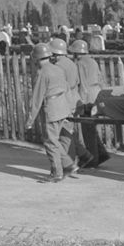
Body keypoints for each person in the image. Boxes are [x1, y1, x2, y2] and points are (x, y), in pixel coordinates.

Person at [25, 43, 76, 183]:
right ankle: (68, 164)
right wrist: (69, 109)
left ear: (36, 58)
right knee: (54, 140)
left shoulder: (42, 73)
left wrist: (30, 120)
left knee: (50, 142)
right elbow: (66, 89)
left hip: (52, 110)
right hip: (63, 108)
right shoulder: (58, 69)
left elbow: (37, 98)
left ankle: (57, 173)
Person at [48, 38, 94, 170]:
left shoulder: (58, 67)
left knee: (64, 133)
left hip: (66, 102)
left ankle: (69, 163)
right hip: (75, 99)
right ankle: (84, 154)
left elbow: (58, 86)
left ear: (55, 53)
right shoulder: (71, 63)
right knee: (68, 131)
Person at [69, 38, 110, 167]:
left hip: (87, 97)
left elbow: (82, 84)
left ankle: (93, 160)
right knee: (92, 128)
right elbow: (100, 78)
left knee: (87, 130)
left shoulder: (79, 64)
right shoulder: (92, 61)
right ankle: (101, 154)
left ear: (76, 52)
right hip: (96, 94)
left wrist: (79, 102)